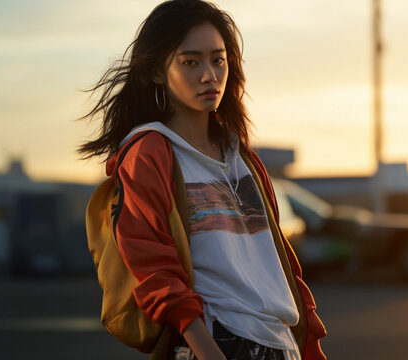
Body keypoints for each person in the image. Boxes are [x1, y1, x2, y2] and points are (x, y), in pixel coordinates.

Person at [79, 1, 326, 359]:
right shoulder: (150, 151)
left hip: (281, 343)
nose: (209, 75)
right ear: (156, 72)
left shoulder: (243, 157)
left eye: (218, 59)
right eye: (190, 61)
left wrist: (309, 346)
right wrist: (206, 349)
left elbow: (279, 262)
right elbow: (152, 265)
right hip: (217, 341)